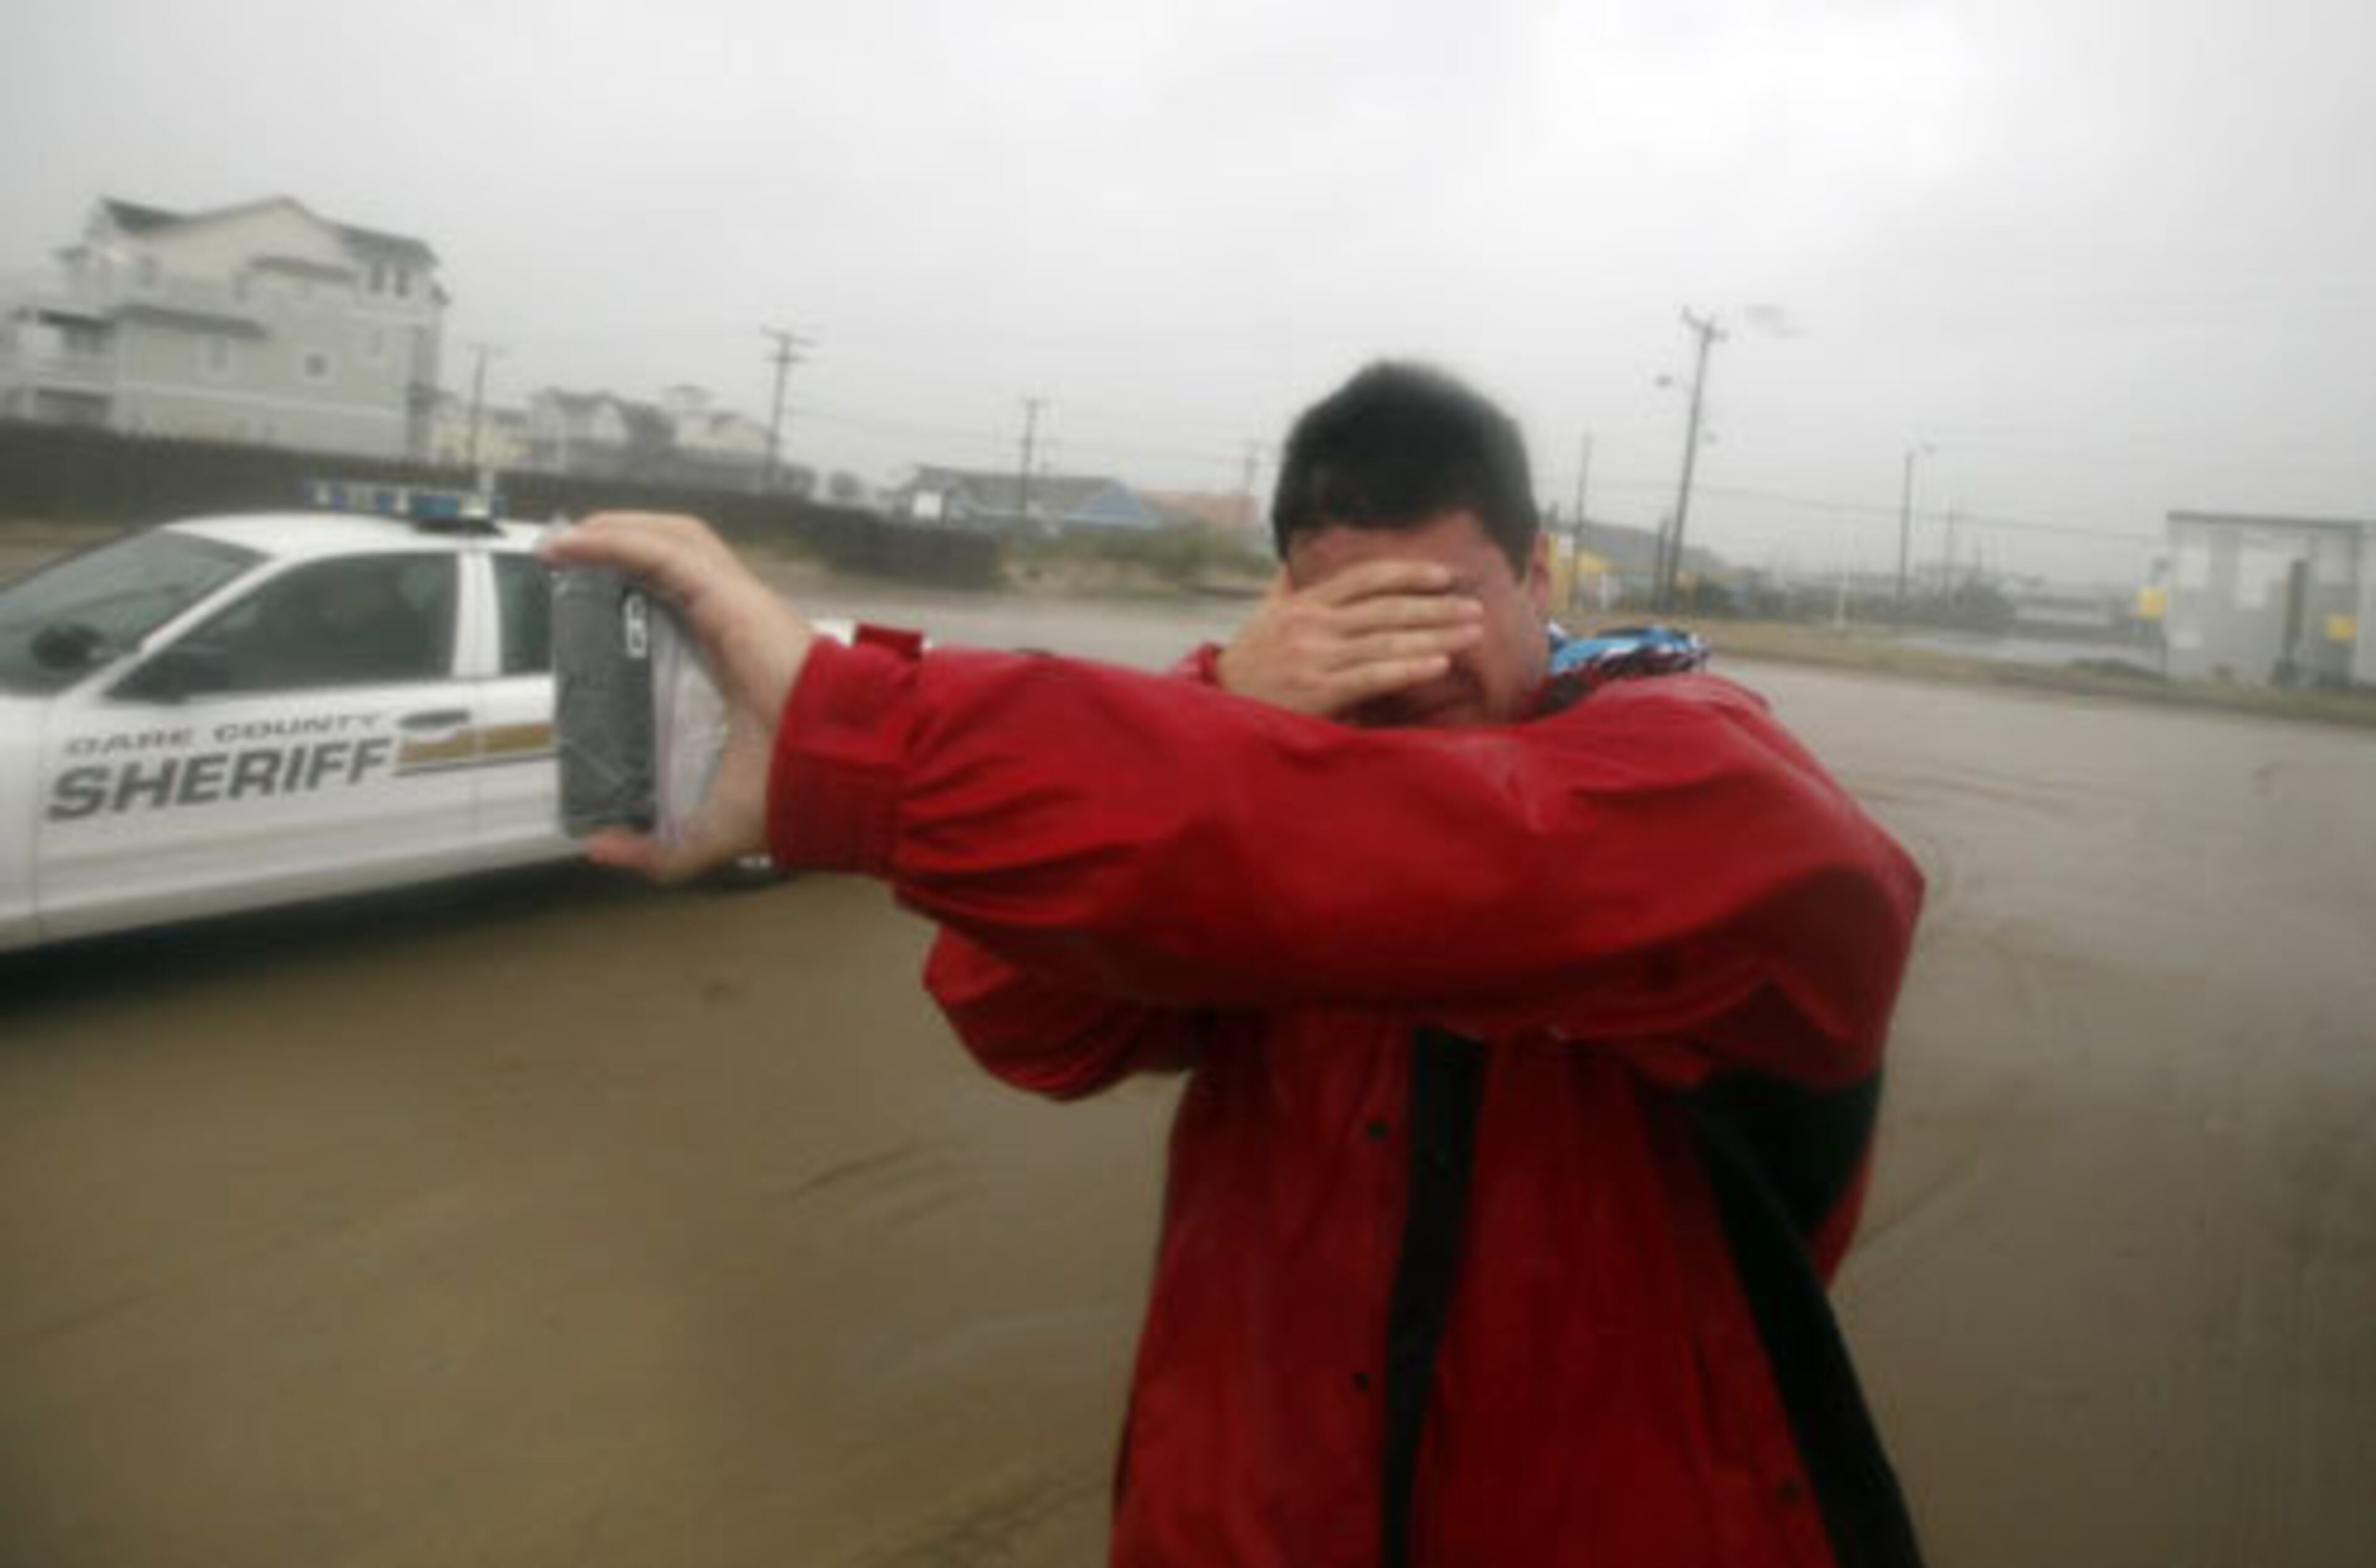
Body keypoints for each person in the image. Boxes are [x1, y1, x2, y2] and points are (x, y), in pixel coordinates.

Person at [543, 362, 1927, 1568]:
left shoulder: (1717, 780)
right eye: (1348, 618)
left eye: (1441, 606)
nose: (1401, 665)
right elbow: (1018, 1019)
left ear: (1544, 577)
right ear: (1285, 604)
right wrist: (1222, 707)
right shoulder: (1235, 814)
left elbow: (1475, 853)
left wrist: (854, 742)